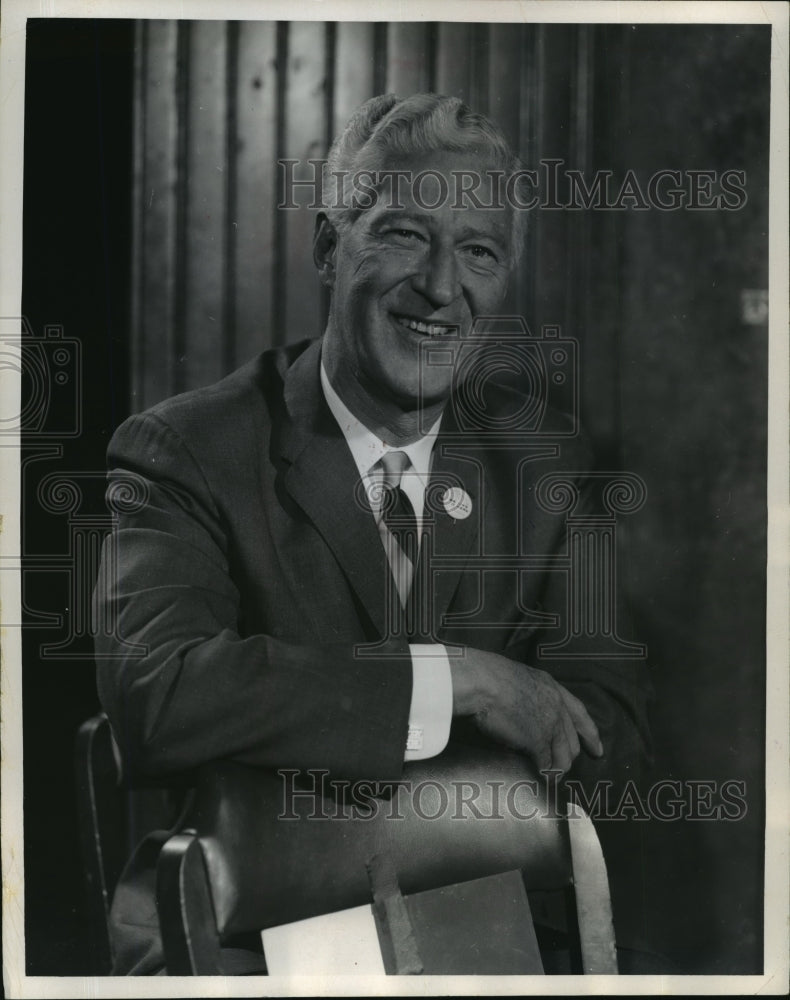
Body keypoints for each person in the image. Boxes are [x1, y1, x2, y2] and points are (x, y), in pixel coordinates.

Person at [93, 92, 652, 974]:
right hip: (245, 933)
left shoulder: (546, 463)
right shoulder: (187, 450)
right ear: (328, 245)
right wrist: (454, 683)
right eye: (403, 234)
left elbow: (601, 738)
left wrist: (300, 723)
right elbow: (161, 697)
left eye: (478, 251)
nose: (440, 286)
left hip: (483, 921)